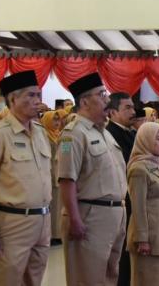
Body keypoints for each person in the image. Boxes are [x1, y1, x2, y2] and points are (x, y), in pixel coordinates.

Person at [0, 71, 52, 285]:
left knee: (34, 280)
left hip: (42, 221)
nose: (37, 101)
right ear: (13, 99)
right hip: (11, 223)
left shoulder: (40, 131)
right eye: (30, 96)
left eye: (38, 95)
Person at [58, 73, 128, 285]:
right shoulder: (73, 134)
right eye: (101, 94)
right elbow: (66, 180)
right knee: (87, 278)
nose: (107, 100)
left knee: (109, 276)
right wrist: (75, 218)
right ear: (85, 101)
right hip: (91, 215)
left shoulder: (104, 133)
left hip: (115, 214)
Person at [126, 122, 159, 286]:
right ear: (145, 140)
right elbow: (138, 207)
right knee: (147, 280)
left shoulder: (158, 164)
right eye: (158, 139)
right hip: (149, 239)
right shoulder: (139, 168)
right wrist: (142, 239)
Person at [105, 92, 136, 286]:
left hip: (133, 200)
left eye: (133, 107)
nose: (133, 112)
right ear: (113, 112)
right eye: (128, 108)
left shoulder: (131, 133)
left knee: (129, 254)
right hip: (120, 200)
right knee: (119, 257)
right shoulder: (110, 135)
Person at [41, 111, 63, 244]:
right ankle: (50, 234)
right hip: (49, 174)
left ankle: (58, 233)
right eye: (54, 120)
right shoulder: (43, 136)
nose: (57, 123)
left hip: (59, 173)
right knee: (51, 205)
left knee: (59, 206)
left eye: (58, 120)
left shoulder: (61, 135)